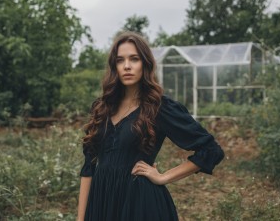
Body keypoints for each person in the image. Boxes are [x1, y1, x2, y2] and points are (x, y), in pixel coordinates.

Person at [77, 31, 224, 221]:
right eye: (120, 60)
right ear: (114, 66)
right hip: (102, 203)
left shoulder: (160, 108)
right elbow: (89, 167)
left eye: (134, 59)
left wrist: (163, 177)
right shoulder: (101, 108)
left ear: (145, 64)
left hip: (140, 204)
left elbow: (211, 150)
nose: (127, 66)